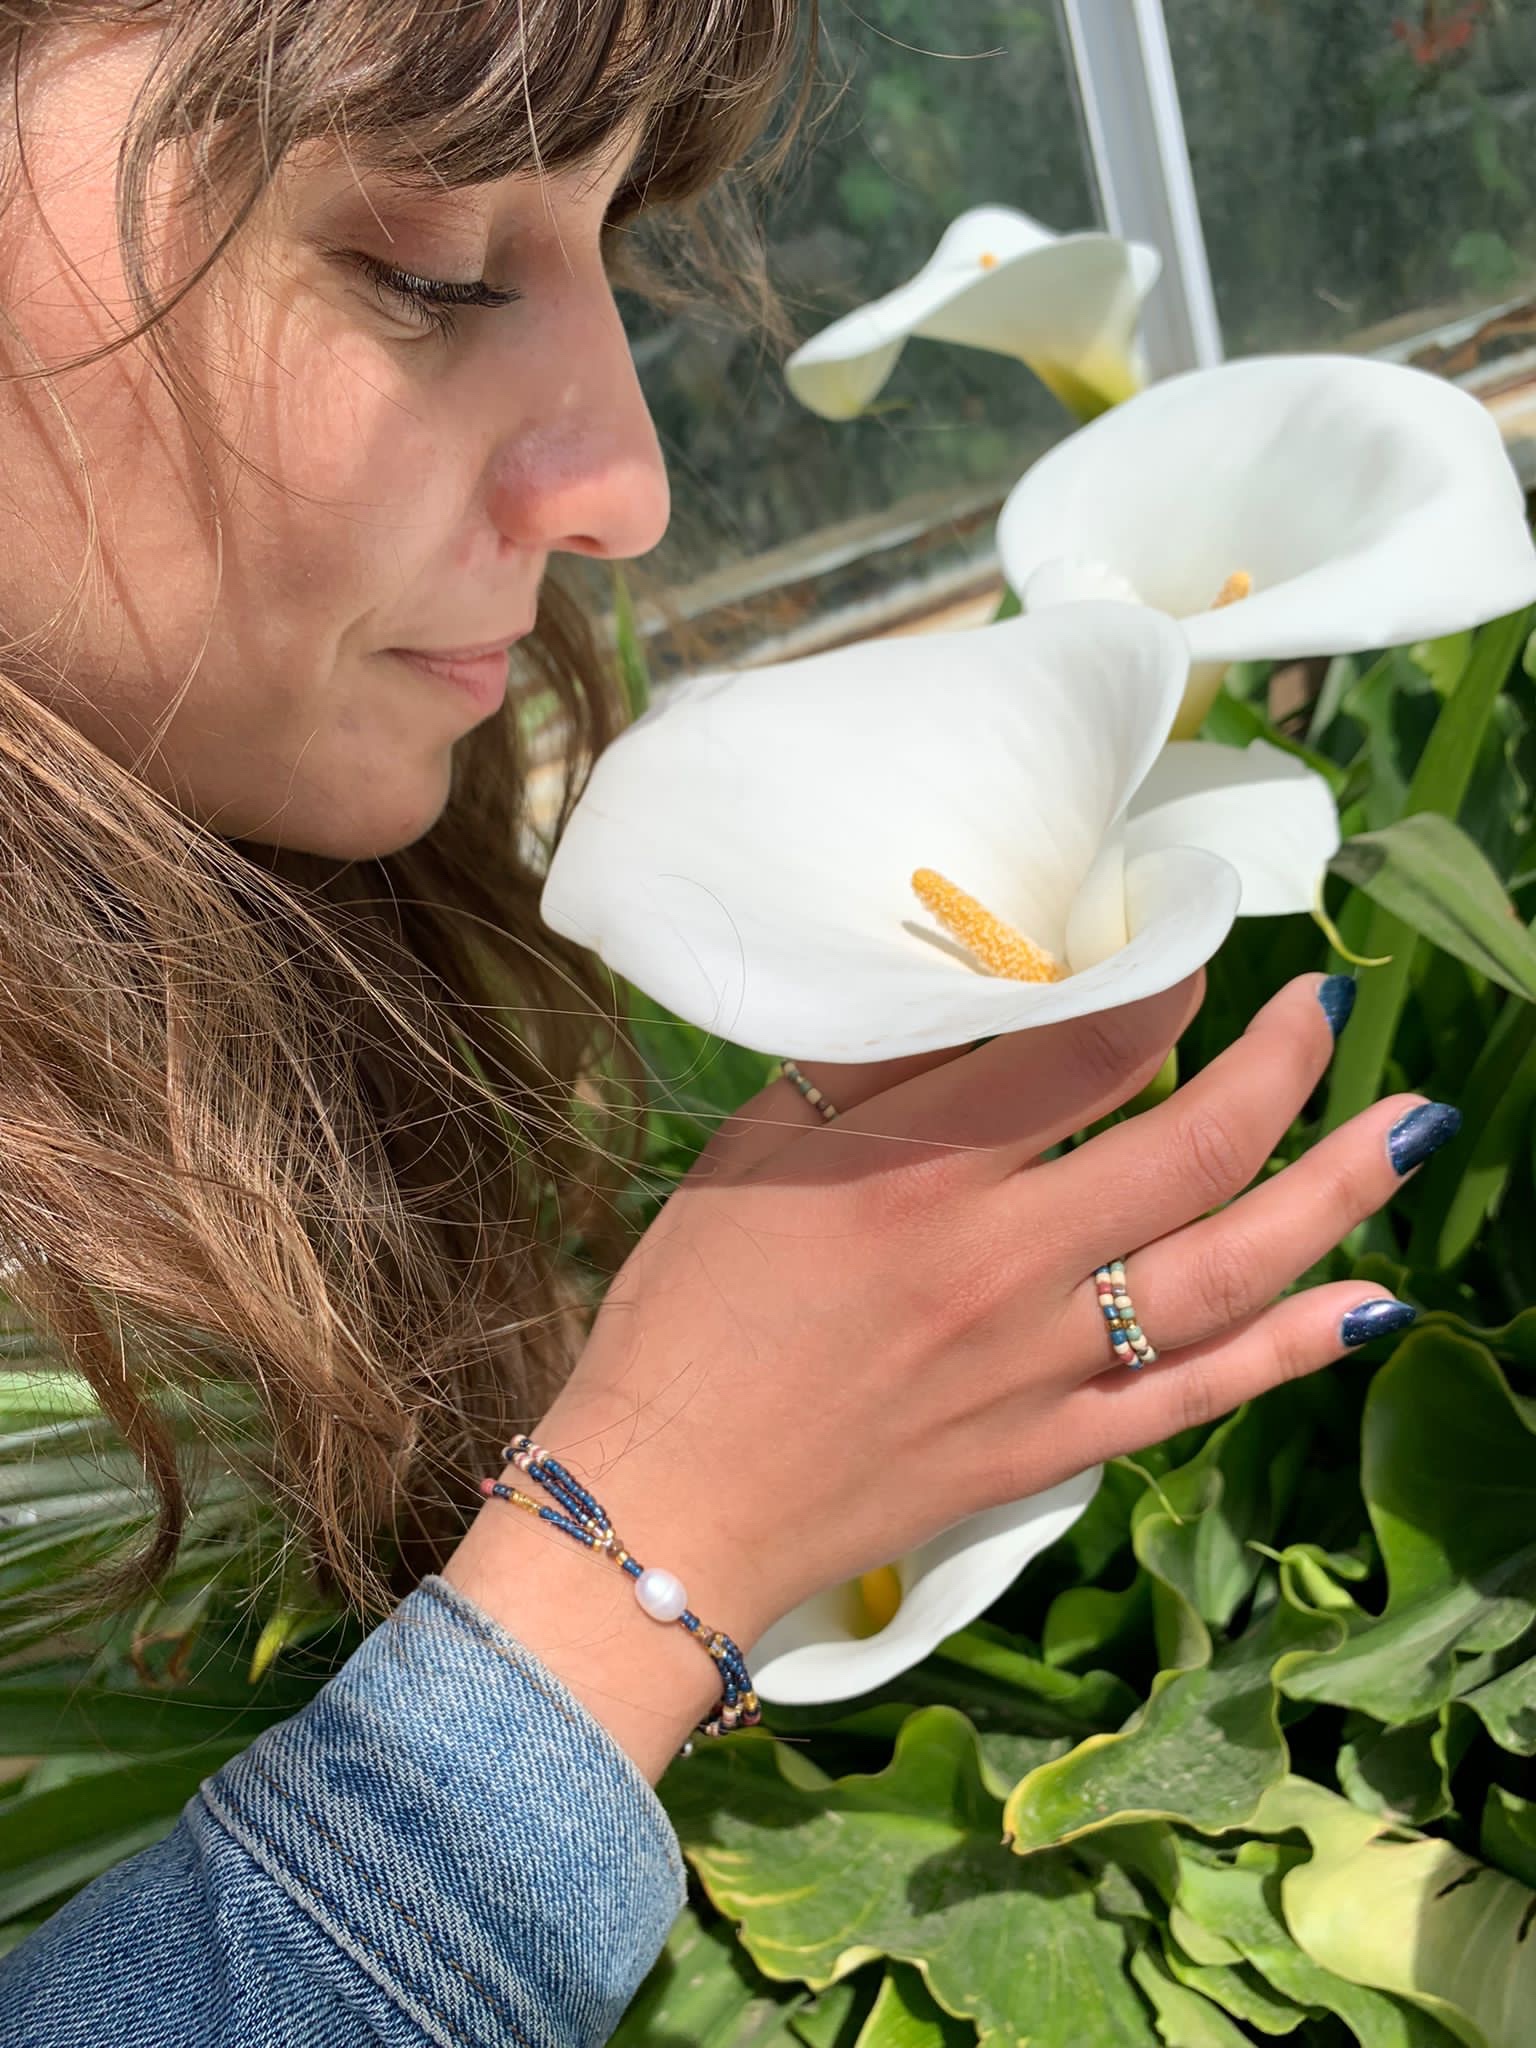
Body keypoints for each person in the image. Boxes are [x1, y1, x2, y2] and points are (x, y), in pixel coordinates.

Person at [0, 4, 1460, 2044]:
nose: (636, 489)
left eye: (614, 247)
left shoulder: (255, 927)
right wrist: (645, 1548)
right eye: (428, 269)